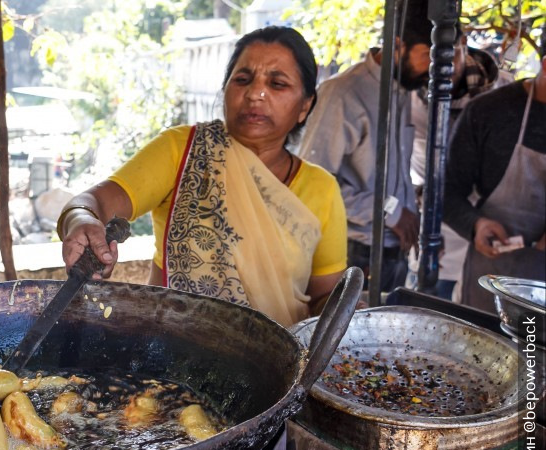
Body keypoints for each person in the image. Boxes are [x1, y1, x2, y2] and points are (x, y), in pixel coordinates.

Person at [56, 27, 348, 327]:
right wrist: (81, 220)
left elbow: (325, 298)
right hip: (169, 355)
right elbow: (93, 203)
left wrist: (345, 310)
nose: (255, 94)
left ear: (305, 106)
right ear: (225, 91)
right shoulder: (182, 150)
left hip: (275, 365)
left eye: (277, 84)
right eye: (243, 80)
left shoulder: (321, 189)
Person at [298, 0, 433, 293]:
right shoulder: (344, 93)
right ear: (398, 45)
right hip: (355, 251)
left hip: (391, 249)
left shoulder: (403, 88)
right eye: (427, 55)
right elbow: (313, 184)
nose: (433, 66)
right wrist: (393, 213)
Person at [407, 32, 513, 300]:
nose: (440, 66)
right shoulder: (408, 96)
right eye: (428, 57)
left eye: (450, 54)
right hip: (431, 228)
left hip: (488, 226)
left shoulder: (502, 93)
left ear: (463, 43)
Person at [442, 52, 546, 313]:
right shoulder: (489, 112)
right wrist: (476, 225)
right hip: (493, 275)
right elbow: (446, 193)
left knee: (532, 355)